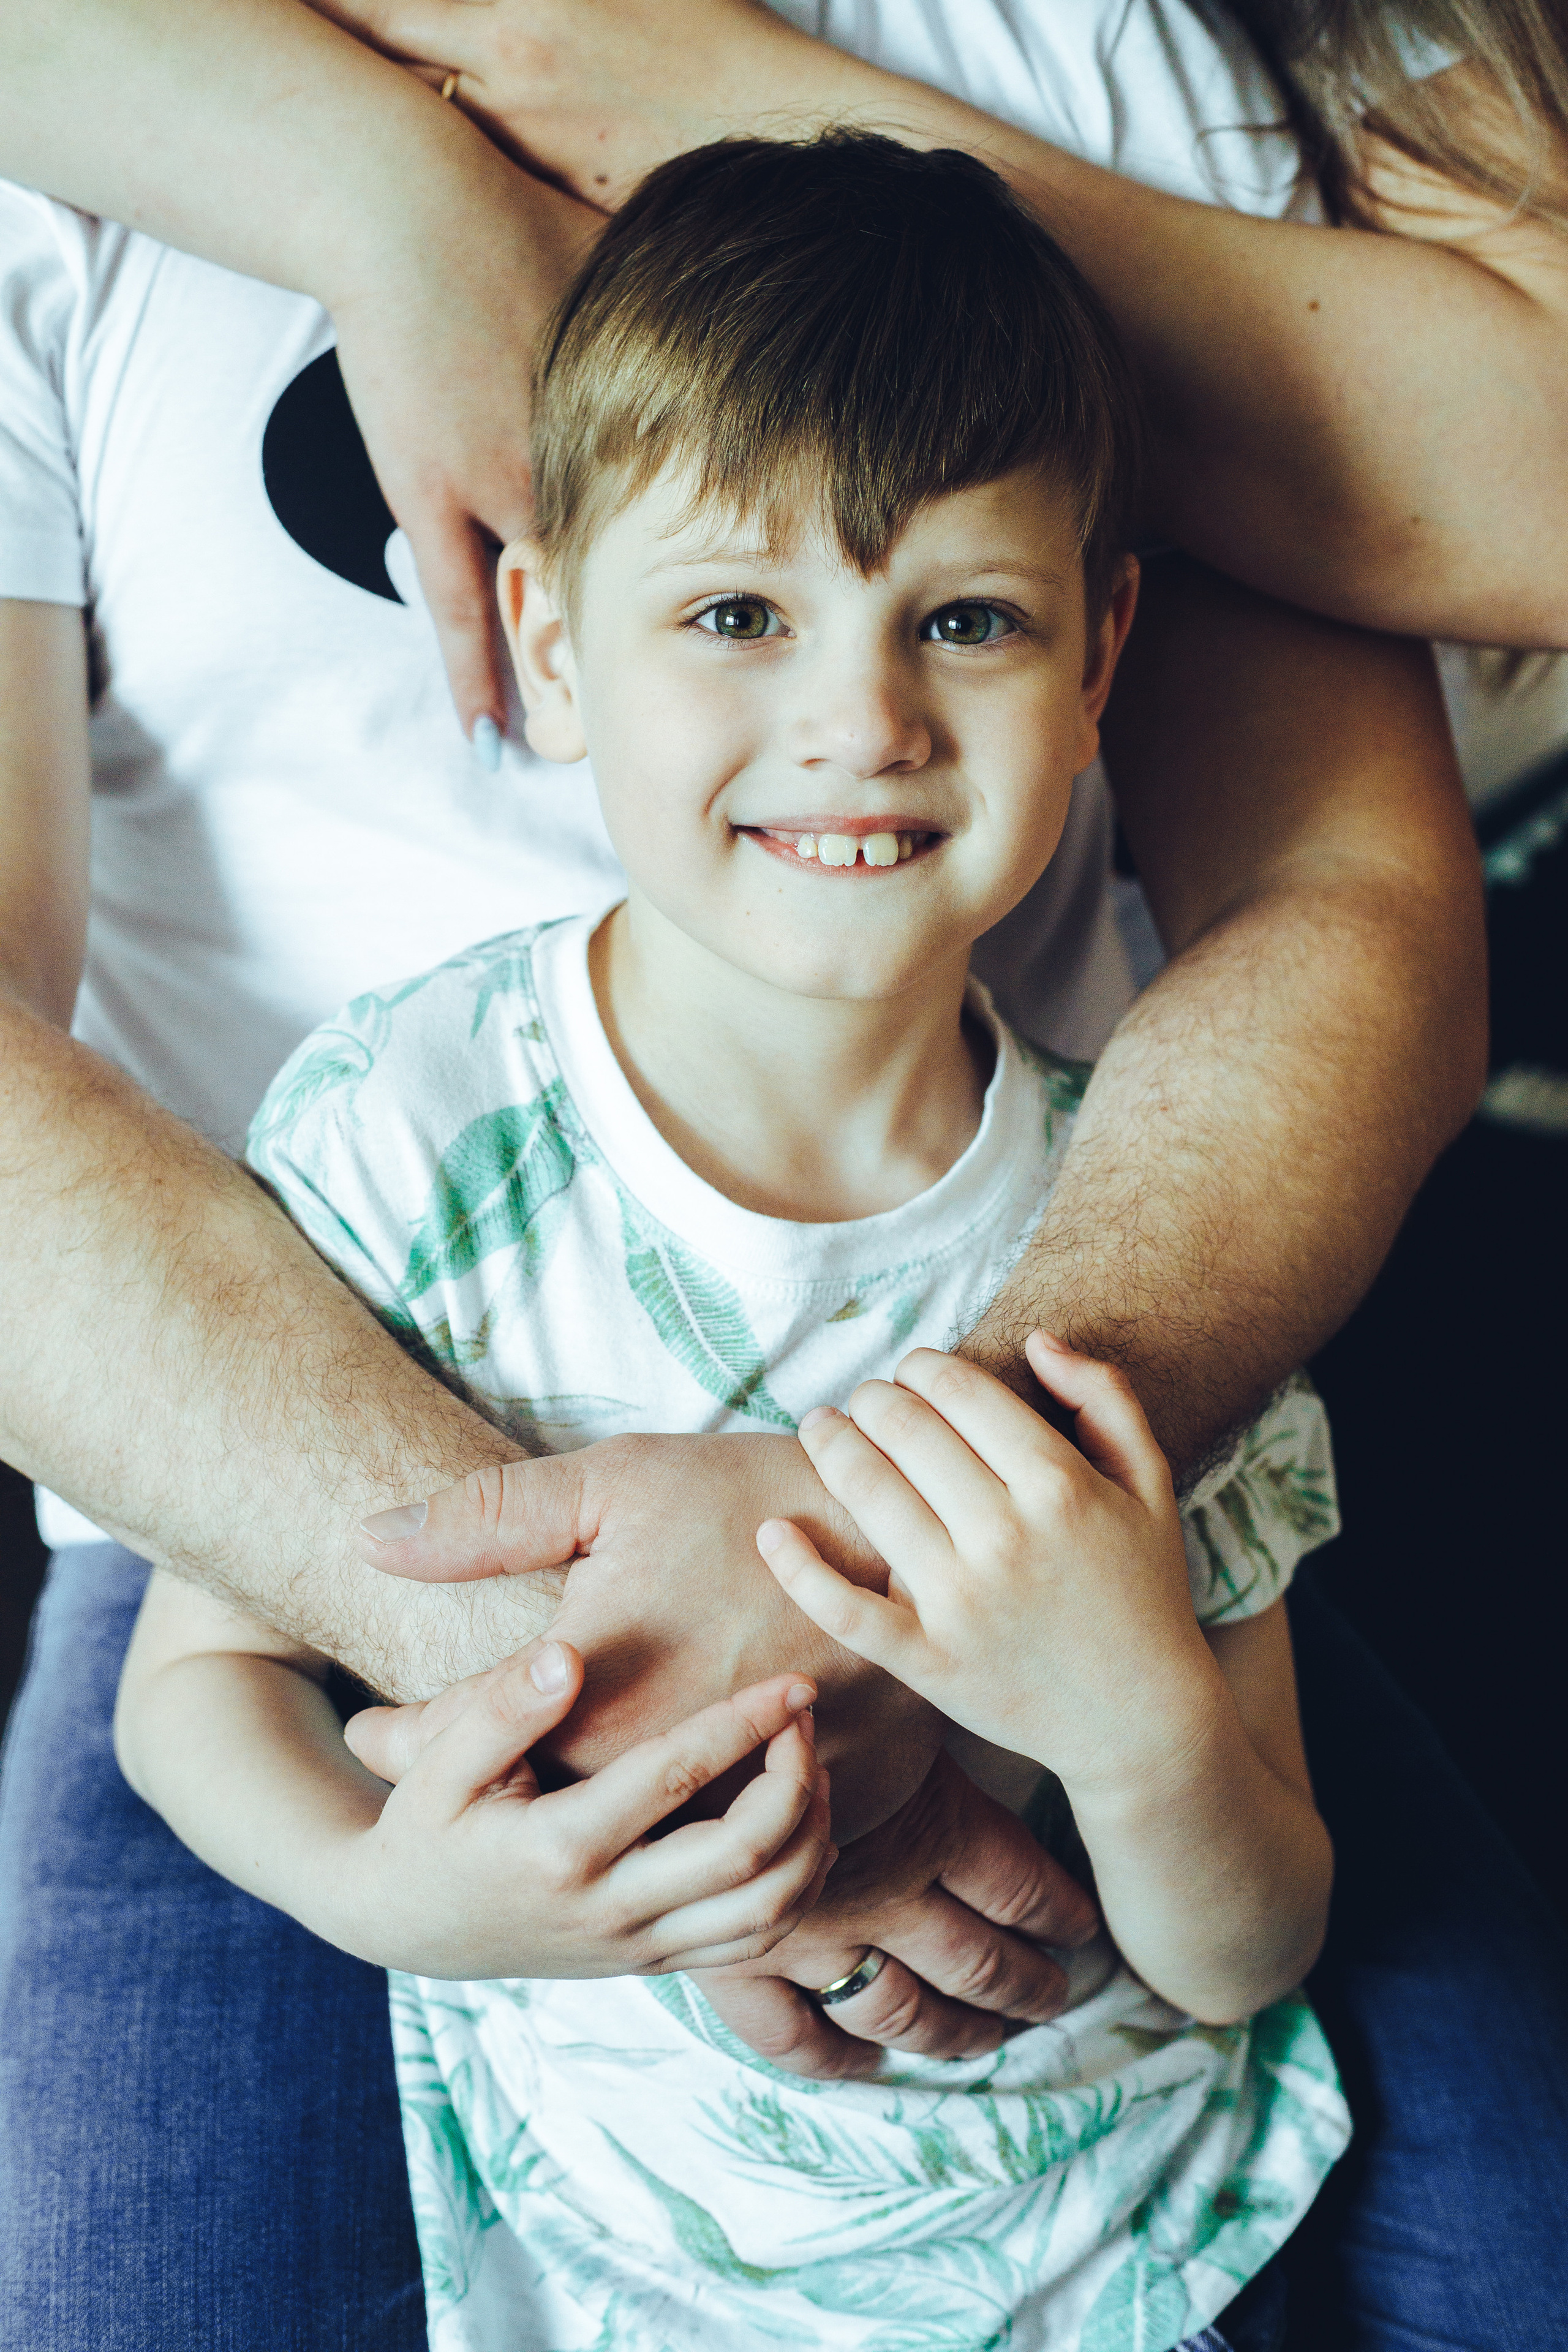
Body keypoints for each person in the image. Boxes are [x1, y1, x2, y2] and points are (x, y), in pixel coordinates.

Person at [0, 3, 1539, 2348]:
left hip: (1081, 1396)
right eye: (735, 615)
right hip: (264, 1481)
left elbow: (1352, 917)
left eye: (960, 625)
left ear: (1080, 643)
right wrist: (573, 1708)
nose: (860, 717)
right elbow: (210, 1678)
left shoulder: (1093, 62)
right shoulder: (386, 1126)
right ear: (544, 619)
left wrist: (946, 1553)